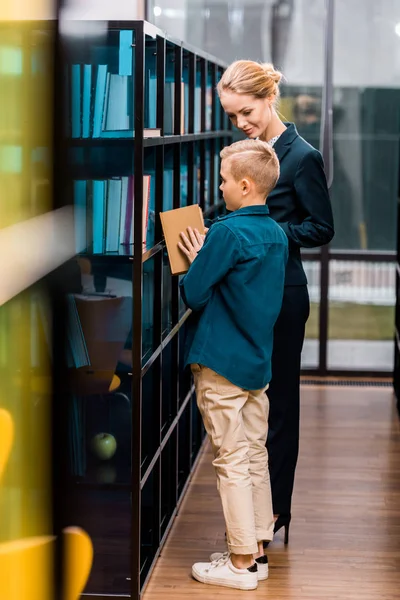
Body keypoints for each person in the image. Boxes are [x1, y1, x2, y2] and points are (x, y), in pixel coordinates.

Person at [216, 60, 335, 544]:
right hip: (244, 297)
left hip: (282, 298)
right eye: (232, 116)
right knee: (246, 407)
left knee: (280, 405)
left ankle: (275, 513)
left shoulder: (302, 156)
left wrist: (265, 234)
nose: (240, 123)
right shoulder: (246, 152)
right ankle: (251, 512)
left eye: (245, 111)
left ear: (268, 98)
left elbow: (322, 228)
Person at [178, 139, 288, 590]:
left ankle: (240, 561)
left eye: (223, 180)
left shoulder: (226, 232)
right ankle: (258, 549)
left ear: (244, 185)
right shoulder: (277, 233)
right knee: (254, 455)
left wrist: (196, 257)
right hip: (257, 366)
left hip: (221, 365)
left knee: (231, 459)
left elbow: (194, 292)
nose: (219, 187)